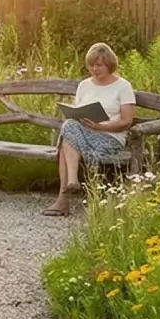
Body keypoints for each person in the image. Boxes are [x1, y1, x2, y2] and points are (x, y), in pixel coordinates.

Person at [44, 42, 137, 216]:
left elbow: (127, 121)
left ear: (109, 64)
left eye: (99, 65)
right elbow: (77, 115)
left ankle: (63, 198)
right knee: (69, 126)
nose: (95, 69)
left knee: (66, 140)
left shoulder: (123, 86)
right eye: (91, 65)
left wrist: (100, 126)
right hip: (85, 133)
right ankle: (71, 183)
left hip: (110, 138)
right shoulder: (84, 85)